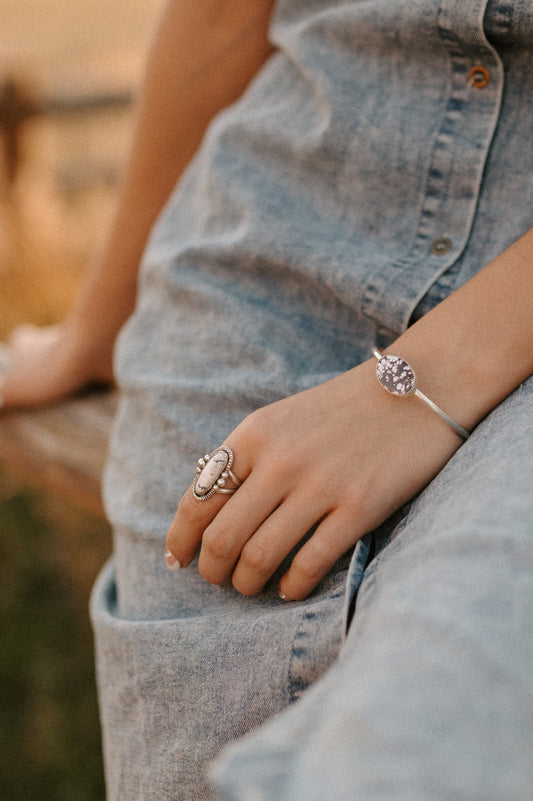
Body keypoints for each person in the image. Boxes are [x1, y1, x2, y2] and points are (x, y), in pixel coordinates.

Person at [1, 1, 532, 799]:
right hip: (254, 263)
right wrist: (98, 328)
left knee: (418, 735)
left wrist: (414, 389)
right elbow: (220, 13)